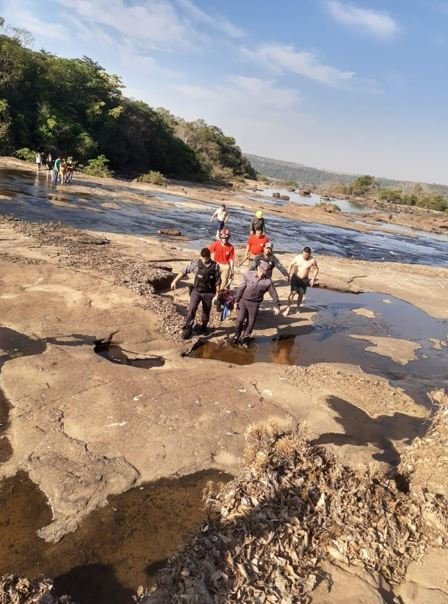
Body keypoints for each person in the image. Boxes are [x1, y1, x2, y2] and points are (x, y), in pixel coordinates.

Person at [170, 247, 221, 339]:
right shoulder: (196, 264)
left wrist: (217, 295)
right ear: (201, 257)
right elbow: (184, 271)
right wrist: (175, 281)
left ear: (210, 256)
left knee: (206, 312)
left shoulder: (215, 267)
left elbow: (218, 282)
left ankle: (204, 327)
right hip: (196, 291)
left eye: (206, 259)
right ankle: (188, 327)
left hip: (208, 293)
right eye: (203, 258)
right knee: (192, 309)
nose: (205, 260)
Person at [233, 263, 281, 344]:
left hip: (255, 303)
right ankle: (237, 334)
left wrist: (276, 305)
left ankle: (245, 336)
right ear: (258, 268)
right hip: (243, 301)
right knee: (240, 320)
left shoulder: (268, 281)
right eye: (261, 271)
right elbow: (241, 288)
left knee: (251, 322)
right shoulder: (248, 274)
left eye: (264, 272)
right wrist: (236, 301)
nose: (262, 274)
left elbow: (273, 293)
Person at [284, 246, 319, 316]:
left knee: (301, 294)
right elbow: (290, 264)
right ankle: (288, 308)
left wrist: (313, 279)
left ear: (309, 254)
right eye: (303, 254)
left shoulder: (312, 260)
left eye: (306, 255)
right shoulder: (298, 258)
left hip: (304, 279)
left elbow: (316, 269)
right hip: (296, 278)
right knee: (293, 293)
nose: (304, 256)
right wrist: (288, 274)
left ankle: (297, 307)